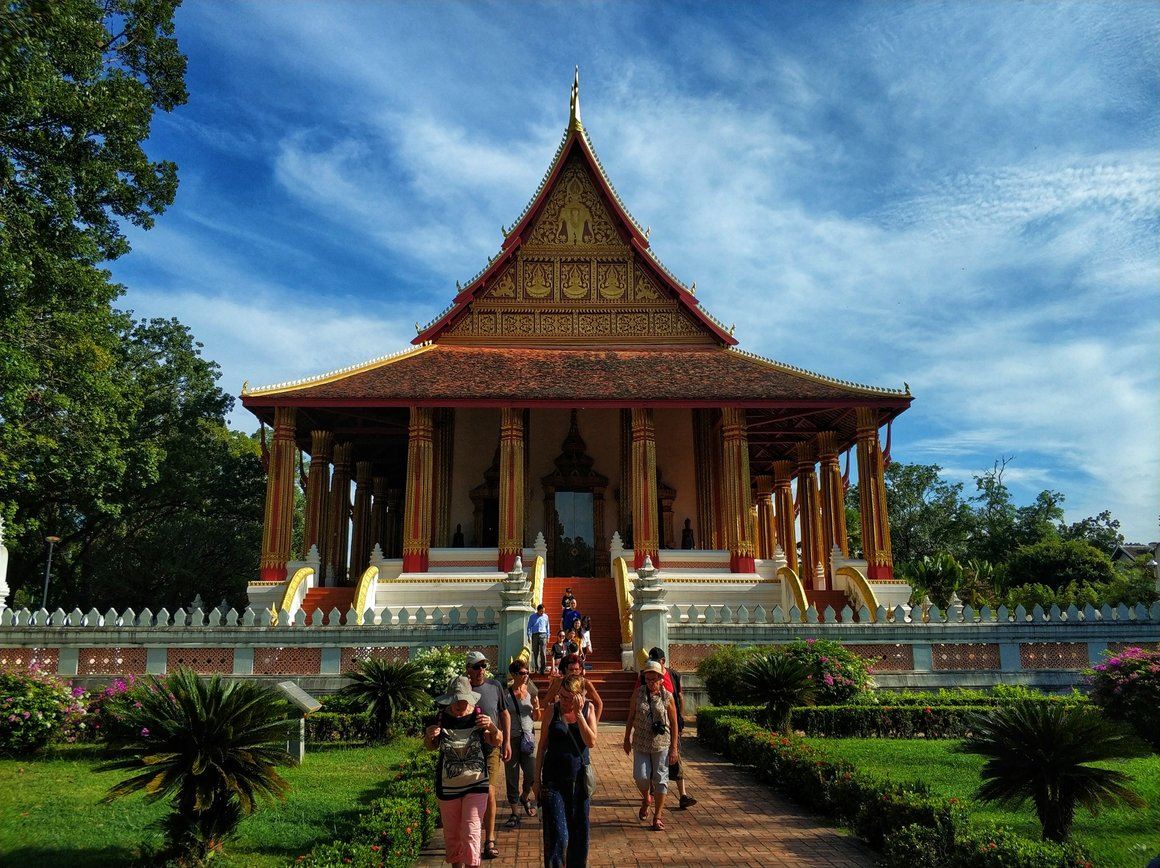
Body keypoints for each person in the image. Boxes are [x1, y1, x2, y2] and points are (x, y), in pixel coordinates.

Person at [425, 675, 504, 868]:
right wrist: (429, 735)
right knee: (452, 835)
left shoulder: (479, 715)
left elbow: (496, 741)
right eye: (456, 703)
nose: (460, 707)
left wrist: (493, 728)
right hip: (448, 785)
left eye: (463, 702)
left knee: (471, 831)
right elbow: (431, 746)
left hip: (476, 783)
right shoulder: (442, 716)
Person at [533, 674, 597, 867]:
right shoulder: (553, 710)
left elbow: (591, 741)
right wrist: (536, 780)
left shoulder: (588, 709)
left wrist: (578, 715)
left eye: (570, 698)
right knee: (557, 835)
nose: (565, 701)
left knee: (579, 834)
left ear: (580, 696)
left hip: (579, 780)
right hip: (553, 780)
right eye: (562, 696)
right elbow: (542, 746)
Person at [452, 651, 511, 861]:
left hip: (491, 747)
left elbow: (504, 713)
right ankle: (468, 839)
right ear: (468, 668)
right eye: (476, 667)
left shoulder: (495, 687)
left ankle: (490, 839)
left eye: (483, 666)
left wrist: (506, 741)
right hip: (467, 750)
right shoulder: (461, 689)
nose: (480, 671)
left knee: (490, 792)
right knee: (467, 795)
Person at [623, 661, 679, 831]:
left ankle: (658, 816)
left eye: (654, 679)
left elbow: (674, 723)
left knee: (661, 779)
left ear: (661, 679)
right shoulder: (638, 694)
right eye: (647, 679)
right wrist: (626, 738)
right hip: (640, 742)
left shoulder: (667, 696)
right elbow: (631, 716)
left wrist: (674, 747)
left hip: (661, 743)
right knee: (641, 776)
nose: (651, 683)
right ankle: (646, 797)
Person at [640, 647, 697, 809]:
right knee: (652, 759)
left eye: (655, 662)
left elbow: (679, 696)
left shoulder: (673, 675)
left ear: (663, 662)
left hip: (671, 725)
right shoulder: (644, 677)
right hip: (651, 726)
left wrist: (681, 718)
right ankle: (652, 792)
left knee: (675, 757)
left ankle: (683, 795)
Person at [502, 660, 541, 829]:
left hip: (528, 737)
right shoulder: (506, 695)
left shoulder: (531, 691)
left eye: (527, 673)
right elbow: (502, 718)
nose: (526, 676)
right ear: (514, 675)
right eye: (523, 673)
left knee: (532, 774)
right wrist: (504, 741)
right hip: (511, 738)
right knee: (512, 775)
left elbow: (536, 717)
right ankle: (514, 811)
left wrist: (538, 708)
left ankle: (525, 796)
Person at [544, 653, 604, 721]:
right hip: (562, 719)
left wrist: (594, 724)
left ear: (580, 670)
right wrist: (549, 721)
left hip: (580, 719)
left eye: (576, 669)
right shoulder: (559, 682)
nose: (574, 672)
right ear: (566, 669)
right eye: (571, 669)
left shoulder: (585, 683)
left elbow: (599, 704)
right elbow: (546, 701)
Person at [527, 604, 550, 674]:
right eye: (541, 611)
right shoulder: (532, 617)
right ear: (538, 610)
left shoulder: (546, 616)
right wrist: (529, 636)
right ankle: (537, 667)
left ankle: (543, 668)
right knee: (535, 652)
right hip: (535, 635)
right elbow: (529, 627)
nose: (542, 613)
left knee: (543, 652)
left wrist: (548, 636)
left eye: (543, 611)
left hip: (543, 634)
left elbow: (547, 627)